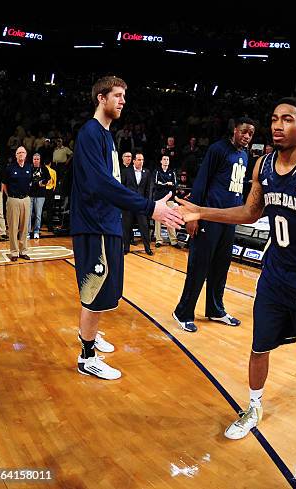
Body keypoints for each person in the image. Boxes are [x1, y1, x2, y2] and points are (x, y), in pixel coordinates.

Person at [176, 97, 296, 440]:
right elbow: (248, 213)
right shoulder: (263, 166)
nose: (276, 125)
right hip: (274, 274)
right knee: (259, 345)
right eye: (274, 118)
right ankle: (253, 406)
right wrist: (202, 211)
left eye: (286, 119)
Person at [71, 76, 183, 380]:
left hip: (107, 223)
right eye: (117, 95)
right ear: (101, 98)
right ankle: (86, 356)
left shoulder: (107, 135)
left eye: (124, 96)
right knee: (94, 289)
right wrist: (150, 207)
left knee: (104, 291)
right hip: (95, 224)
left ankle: (88, 334)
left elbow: (112, 184)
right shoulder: (91, 134)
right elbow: (100, 183)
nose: (123, 101)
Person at [172, 117, 256, 333]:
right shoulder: (218, 149)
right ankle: (183, 312)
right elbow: (201, 182)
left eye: (251, 134)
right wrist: (195, 216)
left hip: (230, 219)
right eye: (244, 131)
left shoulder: (244, 155)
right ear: (235, 130)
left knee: (221, 268)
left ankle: (215, 310)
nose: (247, 136)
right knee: (199, 266)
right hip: (209, 217)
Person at [1, 146, 32, 261]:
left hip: (26, 200)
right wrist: (10, 196)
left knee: (24, 227)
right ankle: (14, 252)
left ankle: (23, 251)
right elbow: (4, 184)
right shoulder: (9, 168)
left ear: (26, 154)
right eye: (18, 153)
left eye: (23, 152)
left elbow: (31, 183)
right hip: (13, 199)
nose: (21, 154)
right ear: (16, 155)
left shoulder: (29, 167)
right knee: (13, 227)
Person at [121, 152, 153, 255]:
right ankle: (126, 248)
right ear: (134, 161)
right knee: (126, 227)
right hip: (128, 204)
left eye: (142, 160)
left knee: (144, 226)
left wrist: (147, 203)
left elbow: (148, 190)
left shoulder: (147, 172)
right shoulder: (126, 171)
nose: (141, 162)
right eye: (139, 160)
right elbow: (122, 187)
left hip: (141, 204)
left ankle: (147, 248)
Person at [153, 155, 180, 248]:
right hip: (159, 198)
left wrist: (165, 184)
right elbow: (156, 184)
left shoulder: (172, 172)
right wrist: (167, 184)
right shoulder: (157, 171)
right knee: (157, 220)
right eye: (164, 159)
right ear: (161, 161)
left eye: (167, 159)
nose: (166, 161)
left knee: (171, 219)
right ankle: (159, 240)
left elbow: (175, 184)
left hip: (170, 198)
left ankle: (173, 241)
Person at [27, 153, 50, 239]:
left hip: (40, 195)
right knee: (28, 215)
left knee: (38, 215)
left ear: (40, 160)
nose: (36, 161)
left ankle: (36, 231)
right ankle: (27, 232)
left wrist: (43, 183)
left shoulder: (44, 168)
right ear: (32, 160)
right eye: (34, 159)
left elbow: (48, 179)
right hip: (30, 195)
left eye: (37, 159)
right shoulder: (29, 167)